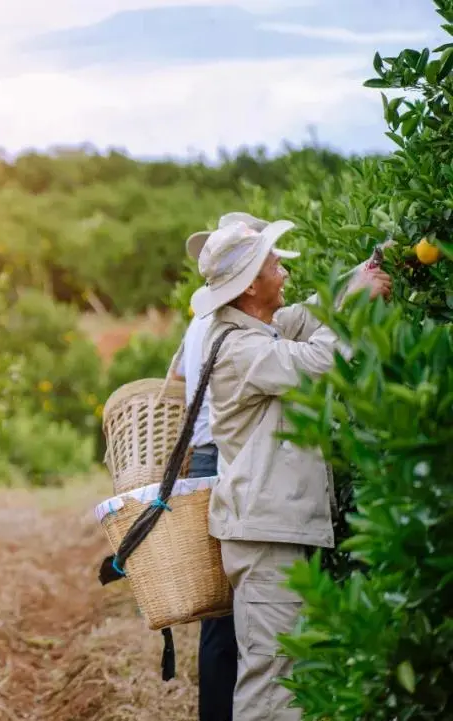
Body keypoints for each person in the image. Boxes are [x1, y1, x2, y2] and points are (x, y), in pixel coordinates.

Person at [190, 220, 390, 721]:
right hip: (263, 537)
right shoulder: (238, 347)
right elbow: (317, 361)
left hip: (277, 530)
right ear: (251, 286)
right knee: (271, 684)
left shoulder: (263, 328)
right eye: (274, 263)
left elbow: (316, 312)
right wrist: (358, 304)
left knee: (291, 678)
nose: (284, 270)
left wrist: (369, 269)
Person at [174, 212, 273, 721]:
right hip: (225, 454)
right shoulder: (232, 323)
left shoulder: (200, 321)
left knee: (221, 609)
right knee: (233, 612)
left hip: (202, 451)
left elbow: (174, 375)